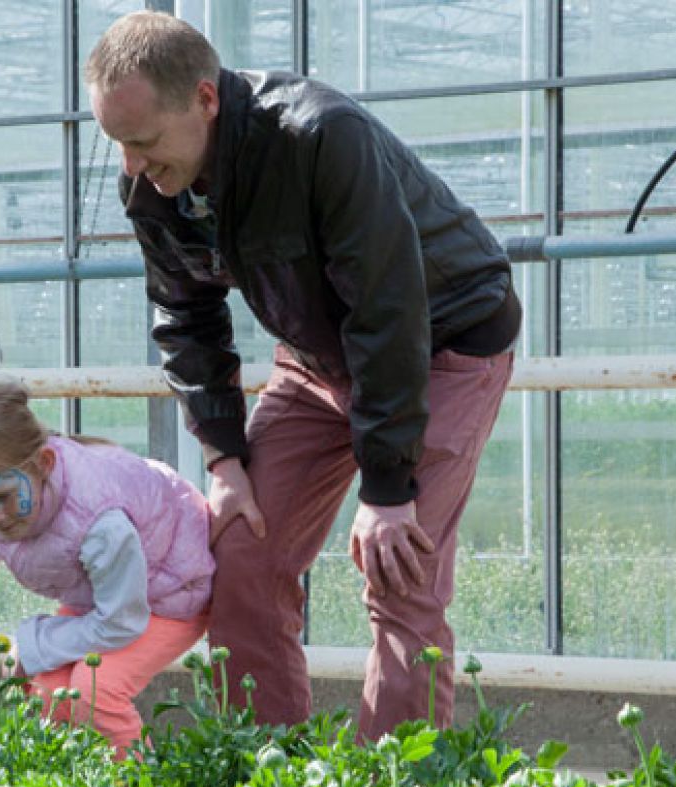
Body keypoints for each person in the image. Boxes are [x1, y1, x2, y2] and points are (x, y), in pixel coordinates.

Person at [84, 12, 522, 739]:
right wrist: (223, 456)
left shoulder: (318, 137)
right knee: (241, 550)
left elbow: (387, 309)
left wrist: (387, 489)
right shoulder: (152, 185)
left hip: (442, 342)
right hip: (319, 358)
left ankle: (394, 783)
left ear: (204, 99)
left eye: (143, 141)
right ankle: (268, 764)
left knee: (398, 568)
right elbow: (184, 317)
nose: (130, 166)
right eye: (117, 145)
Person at [0, 382, 214, 756]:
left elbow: (121, 622)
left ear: (44, 465)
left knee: (94, 692)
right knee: (48, 692)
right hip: (113, 594)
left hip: (171, 595)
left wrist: (35, 644)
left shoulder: (101, 526)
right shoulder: (21, 484)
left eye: (1, 499)